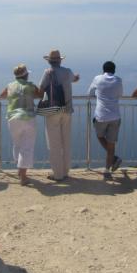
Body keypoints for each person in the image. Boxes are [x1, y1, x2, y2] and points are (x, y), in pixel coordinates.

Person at [39, 49, 79, 182]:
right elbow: (75, 79)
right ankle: (66, 171)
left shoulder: (48, 72)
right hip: (67, 110)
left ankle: (57, 174)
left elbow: (41, 88)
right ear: (60, 60)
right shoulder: (68, 71)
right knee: (66, 141)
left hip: (53, 110)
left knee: (54, 142)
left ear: (49, 61)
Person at [0, 64, 41, 186]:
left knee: (17, 145)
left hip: (12, 118)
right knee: (27, 147)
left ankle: (19, 171)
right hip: (28, 118)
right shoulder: (30, 85)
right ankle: (23, 176)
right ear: (26, 75)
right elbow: (40, 95)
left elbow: (1, 96)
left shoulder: (10, 85)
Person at [88, 61, 123, 180]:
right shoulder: (118, 80)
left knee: (100, 136)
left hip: (101, 115)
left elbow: (90, 93)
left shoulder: (97, 78)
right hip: (115, 116)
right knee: (111, 143)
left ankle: (114, 159)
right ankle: (107, 171)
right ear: (114, 70)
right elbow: (120, 94)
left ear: (103, 70)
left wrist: (99, 94)